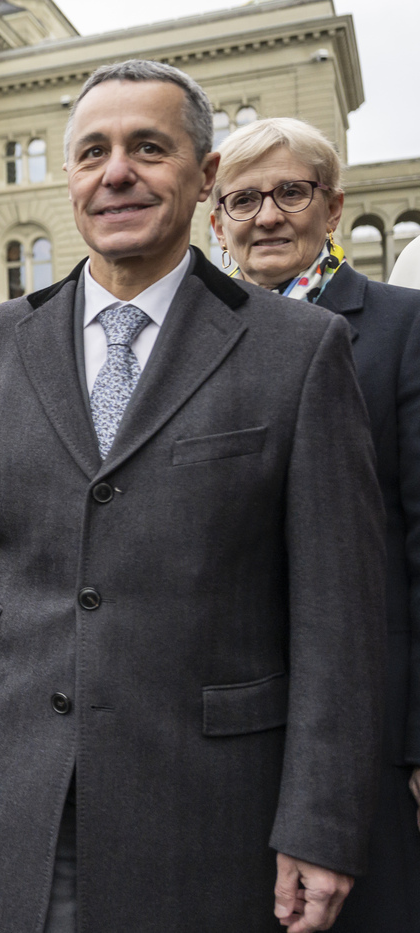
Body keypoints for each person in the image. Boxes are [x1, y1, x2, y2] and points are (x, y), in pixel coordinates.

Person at [0, 60, 386, 933]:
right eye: (92, 152)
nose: (114, 171)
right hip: (12, 788)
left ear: (204, 178)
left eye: (147, 147)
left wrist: (322, 816)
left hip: (206, 806)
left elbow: (339, 611)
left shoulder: (299, 349)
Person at [211, 116, 420, 931]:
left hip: (366, 728)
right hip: (227, 731)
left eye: (290, 193)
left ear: (332, 210)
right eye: (243, 199)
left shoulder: (402, 328)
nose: (267, 215)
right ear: (217, 219)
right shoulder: (195, 339)